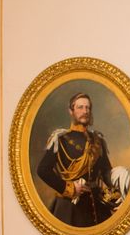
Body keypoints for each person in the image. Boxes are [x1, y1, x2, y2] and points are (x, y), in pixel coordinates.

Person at [37, 93, 121, 227]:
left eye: (87, 108)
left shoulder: (98, 140)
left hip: (98, 206)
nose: (85, 111)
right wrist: (69, 188)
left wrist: (117, 195)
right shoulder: (60, 139)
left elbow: (106, 173)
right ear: (71, 111)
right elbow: (42, 170)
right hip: (70, 207)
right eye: (80, 107)